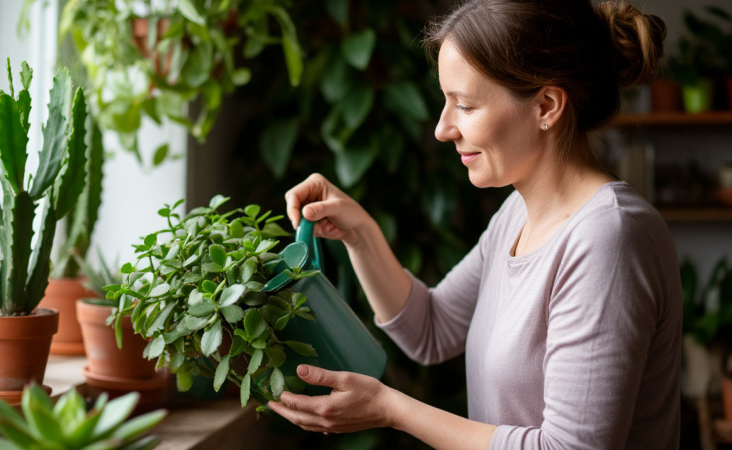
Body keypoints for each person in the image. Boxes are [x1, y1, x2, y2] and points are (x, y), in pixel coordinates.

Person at [267, 0, 681, 448]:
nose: (443, 129)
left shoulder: (607, 238)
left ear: (546, 105)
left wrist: (391, 409)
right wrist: (359, 233)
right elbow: (432, 330)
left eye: (464, 104)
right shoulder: (518, 214)